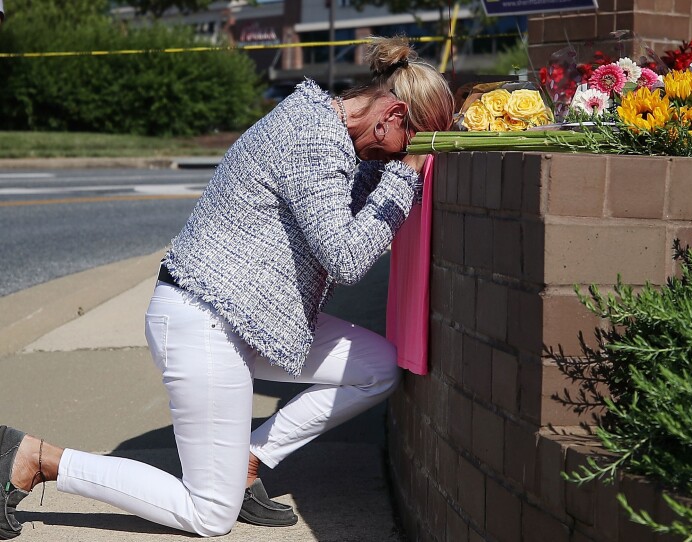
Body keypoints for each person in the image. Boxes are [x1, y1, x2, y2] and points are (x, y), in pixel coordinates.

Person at [0, 35, 454, 539]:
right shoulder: (313, 137)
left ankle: (248, 459)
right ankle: (39, 459)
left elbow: (353, 196)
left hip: (253, 318)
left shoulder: (332, 130)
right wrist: (407, 176)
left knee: (376, 366)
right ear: (392, 114)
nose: (393, 159)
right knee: (209, 514)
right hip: (206, 320)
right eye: (406, 144)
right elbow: (346, 257)